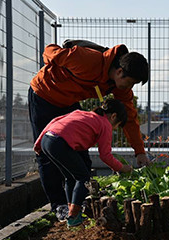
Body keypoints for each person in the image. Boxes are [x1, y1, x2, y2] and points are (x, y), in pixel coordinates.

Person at [28, 40, 151, 220]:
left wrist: (140, 152)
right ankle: (59, 206)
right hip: (45, 94)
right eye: (130, 83)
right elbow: (49, 51)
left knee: (80, 155)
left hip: (69, 102)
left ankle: (79, 201)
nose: (129, 88)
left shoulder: (118, 86)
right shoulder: (87, 60)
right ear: (119, 72)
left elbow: (130, 118)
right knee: (47, 156)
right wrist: (57, 67)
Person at [33, 99, 133, 227]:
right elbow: (105, 156)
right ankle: (74, 217)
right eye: (116, 125)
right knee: (83, 177)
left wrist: (38, 142)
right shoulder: (105, 124)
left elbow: (55, 121)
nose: (114, 129)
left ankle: (72, 214)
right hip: (59, 143)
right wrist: (122, 168)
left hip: (47, 140)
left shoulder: (83, 113)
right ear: (113, 116)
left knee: (70, 177)